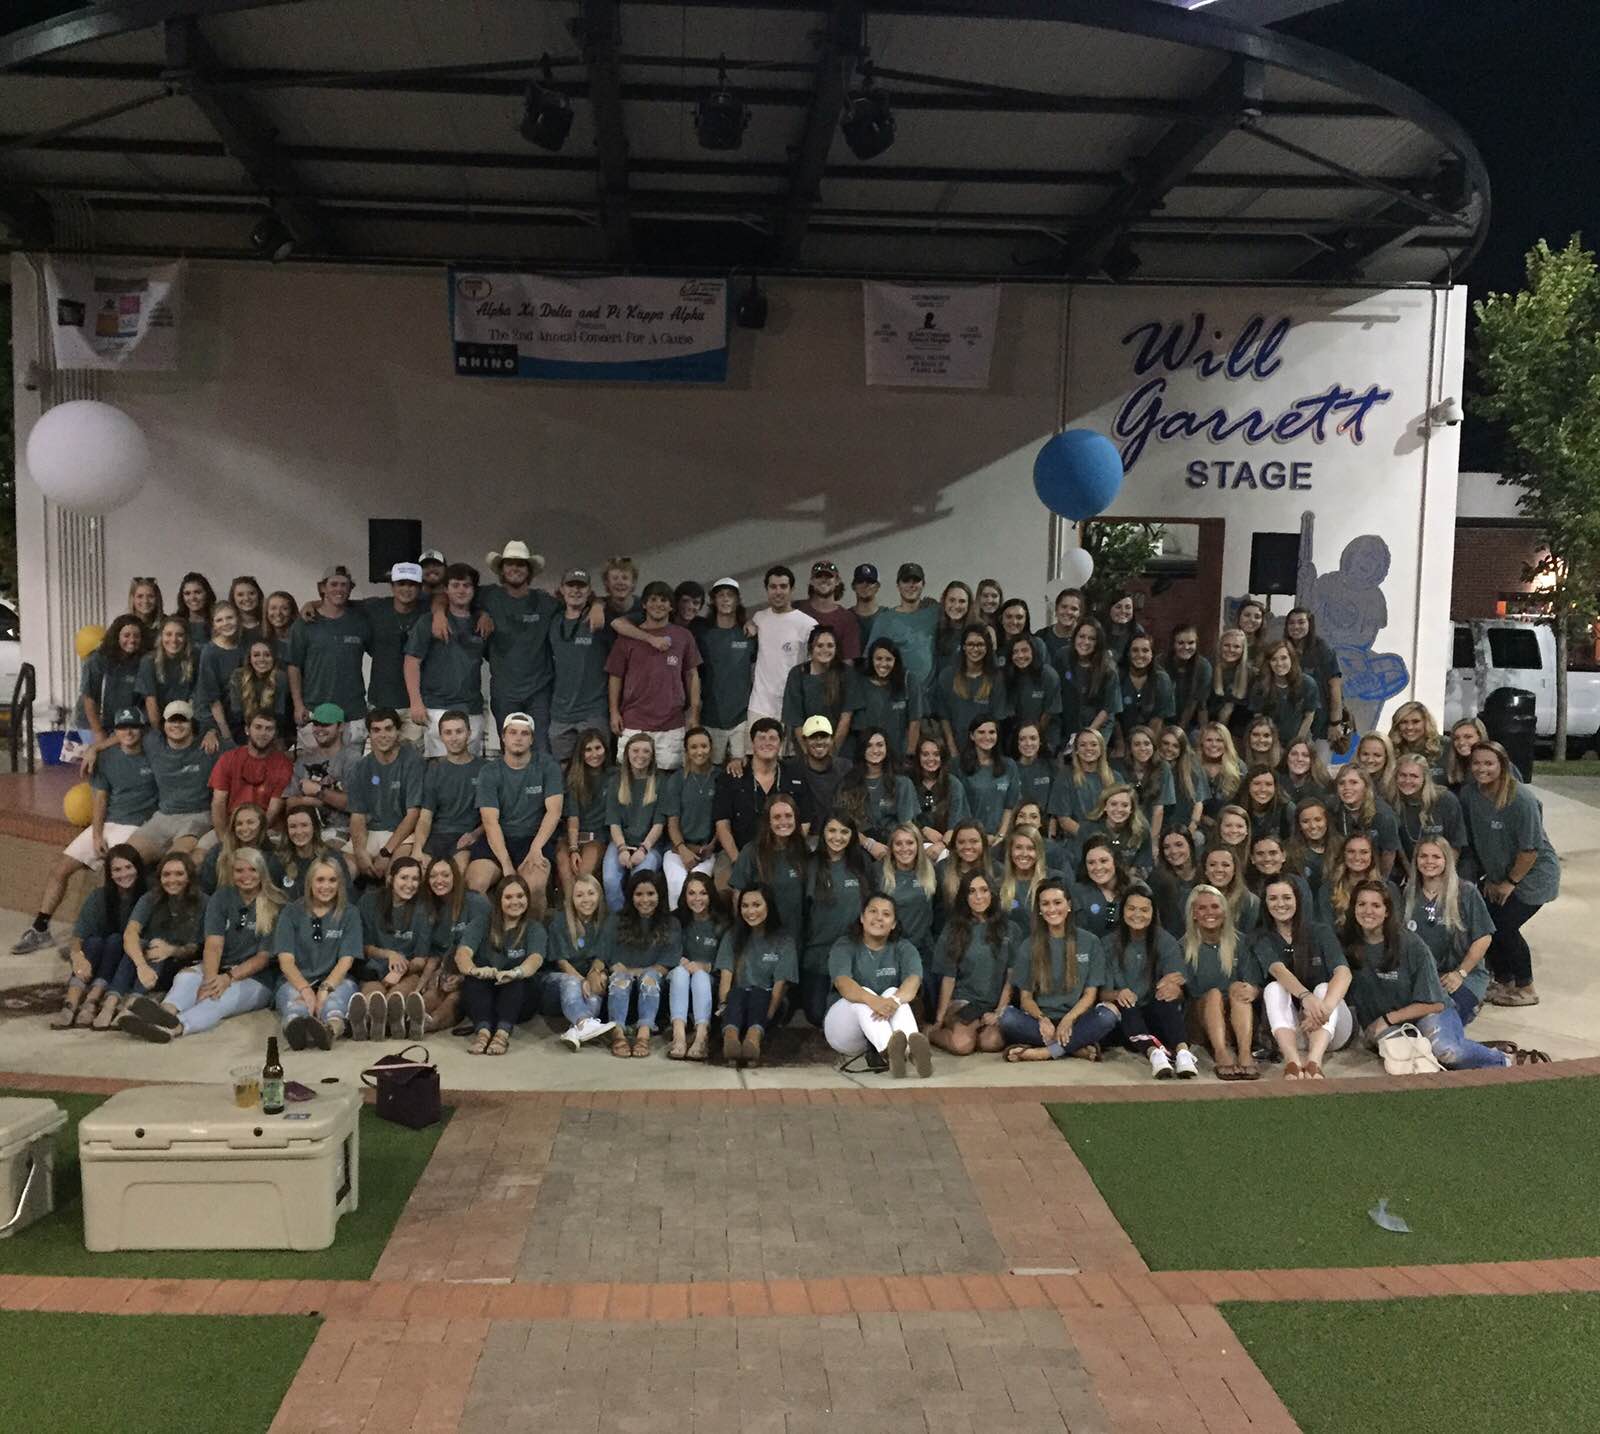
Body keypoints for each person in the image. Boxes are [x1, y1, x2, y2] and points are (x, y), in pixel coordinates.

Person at [12, 709, 157, 956]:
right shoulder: (108, 758)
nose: (128, 732)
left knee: (116, 874)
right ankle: (40, 927)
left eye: (133, 726)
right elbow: (100, 800)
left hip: (137, 826)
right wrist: (97, 835)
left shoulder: (154, 754)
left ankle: (102, 937)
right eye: (123, 727)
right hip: (109, 823)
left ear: (142, 729)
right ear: (116, 731)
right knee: (60, 868)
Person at [1343, 879, 1514, 1071]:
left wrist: (1388, 1019)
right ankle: (1473, 1048)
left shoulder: (1411, 945)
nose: (1368, 911)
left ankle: (1503, 1060)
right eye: (1362, 904)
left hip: (1427, 1013)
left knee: (1447, 1052)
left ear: (1387, 911)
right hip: (1390, 1026)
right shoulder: (1348, 943)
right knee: (1402, 1066)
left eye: (1376, 905)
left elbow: (1435, 1003)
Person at [120, 847, 285, 1043]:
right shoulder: (222, 897)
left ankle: (175, 1027)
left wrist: (227, 978)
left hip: (257, 978)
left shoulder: (276, 903)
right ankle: (164, 1012)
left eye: (252, 870)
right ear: (232, 873)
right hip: (220, 966)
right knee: (185, 978)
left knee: (217, 999)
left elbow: (262, 958)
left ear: (262, 872)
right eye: (239, 871)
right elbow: (213, 945)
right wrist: (209, 979)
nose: (246, 876)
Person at [1461, 739, 1560, 1008]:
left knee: (1504, 927)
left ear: (1502, 766)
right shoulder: (1471, 794)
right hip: (1499, 877)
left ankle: (1526, 986)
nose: (1482, 769)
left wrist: (1510, 882)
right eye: (1477, 763)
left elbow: (1530, 849)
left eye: (1489, 763)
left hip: (1532, 877)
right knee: (1487, 925)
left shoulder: (1521, 799)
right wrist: (1493, 879)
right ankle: (1504, 981)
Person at [1244, 874, 1352, 1078]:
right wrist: (1306, 997)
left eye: (1286, 897)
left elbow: (1343, 973)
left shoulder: (1319, 931)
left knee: (1323, 988)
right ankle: (1292, 1062)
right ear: (1265, 903)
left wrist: (1323, 1010)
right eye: (1273, 898)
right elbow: (1278, 970)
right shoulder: (1261, 937)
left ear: (1297, 900)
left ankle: (1314, 1062)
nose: (1280, 904)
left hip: (1330, 1027)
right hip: (1293, 1030)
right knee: (1274, 987)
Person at [1001, 878, 1117, 1062]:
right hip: (1040, 1022)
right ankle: (1074, 1048)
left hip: (1077, 1019)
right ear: (1039, 909)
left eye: (1057, 902)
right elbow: (1026, 999)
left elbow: (1090, 995)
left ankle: (1045, 1052)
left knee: (1109, 1014)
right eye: (1045, 904)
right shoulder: (1028, 945)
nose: (1052, 909)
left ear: (1069, 905)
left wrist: (1069, 1019)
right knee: (1007, 1018)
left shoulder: (1090, 941)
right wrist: (1041, 1019)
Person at [824, 893, 932, 1077]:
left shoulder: (904, 948)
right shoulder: (844, 946)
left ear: (894, 923)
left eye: (886, 914)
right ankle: (892, 1051)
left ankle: (907, 1052)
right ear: (862, 917)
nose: (879, 917)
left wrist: (894, 1001)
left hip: (880, 1024)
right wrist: (872, 1000)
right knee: (863, 994)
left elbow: (913, 982)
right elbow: (843, 983)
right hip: (845, 1031)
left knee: (894, 993)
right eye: (873, 911)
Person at [95, 851, 205, 1029]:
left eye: (179, 874)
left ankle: (132, 1004)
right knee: (142, 943)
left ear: (189, 877)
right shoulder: (150, 898)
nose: (172, 880)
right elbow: (130, 933)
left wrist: (171, 950)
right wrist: (141, 966)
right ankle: (110, 1003)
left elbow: (196, 947)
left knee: (156, 946)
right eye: (166, 874)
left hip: (179, 963)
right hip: (147, 966)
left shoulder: (203, 902)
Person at [471, 540, 561, 750]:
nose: (515, 569)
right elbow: (450, 596)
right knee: (511, 752)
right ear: (502, 569)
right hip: (505, 692)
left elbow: (579, 602)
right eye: (509, 563)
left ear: (529, 570)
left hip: (540, 691)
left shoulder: (545, 602)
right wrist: (481, 613)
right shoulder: (488, 597)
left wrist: (597, 605)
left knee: (541, 750)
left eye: (521, 564)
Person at [1101, 882, 1196, 1077]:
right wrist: (1117, 993)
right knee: (1127, 1005)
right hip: (1125, 1020)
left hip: (1155, 1013)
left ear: (1153, 913)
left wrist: (1173, 989)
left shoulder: (1165, 941)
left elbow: (1178, 982)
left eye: (1144, 909)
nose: (1137, 914)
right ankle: (1155, 1055)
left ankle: (1183, 1053)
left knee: (1166, 999)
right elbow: (1101, 992)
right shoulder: (1107, 943)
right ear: (1122, 910)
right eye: (1131, 908)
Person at [605, 579, 702, 771]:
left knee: (668, 778)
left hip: (672, 722)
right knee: (632, 777)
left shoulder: (683, 636)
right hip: (634, 721)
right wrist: (614, 712)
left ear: (671, 606)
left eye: (664, 600)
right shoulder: (628, 638)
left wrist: (694, 711)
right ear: (644, 604)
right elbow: (615, 677)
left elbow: (692, 675)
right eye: (654, 599)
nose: (659, 604)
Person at [467, 712, 564, 900]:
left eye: (524, 733)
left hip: (535, 838)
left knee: (533, 888)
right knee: (475, 885)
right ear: (503, 737)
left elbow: (554, 812)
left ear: (532, 739)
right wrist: (506, 865)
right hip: (498, 840)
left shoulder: (547, 766)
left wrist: (536, 848)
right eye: (512, 733)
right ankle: (491, 928)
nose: (518, 738)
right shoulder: (490, 772)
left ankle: (532, 930)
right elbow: (490, 822)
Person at [1403, 838, 1497, 1033]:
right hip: (1425, 978)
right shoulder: (1408, 894)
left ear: (1447, 860)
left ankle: (1499, 1057)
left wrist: (1460, 973)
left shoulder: (1466, 892)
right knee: (1409, 1026)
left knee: (1437, 1028)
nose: (1429, 861)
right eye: (1423, 856)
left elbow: (1484, 937)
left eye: (1436, 856)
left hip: (1460, 977)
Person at [49, 845, 147, 1028]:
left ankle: (92, 1000)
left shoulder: (146, 897)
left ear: (138, 869)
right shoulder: (99, 897)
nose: (123, 874)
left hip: (126, 956)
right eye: (117, 870)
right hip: (96, 955)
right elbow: (79, 935)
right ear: (109, 874)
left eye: (128, 867)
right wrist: (77, 957)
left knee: (115, 940)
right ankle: (70, 1003)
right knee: (94, 942)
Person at [273, 855, 362, 1050]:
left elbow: (346, 961)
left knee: (334, 1005)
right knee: (295, 1004)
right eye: (320, 880)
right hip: (295, 980)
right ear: (310, 883)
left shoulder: (350, 913)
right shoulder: (291, 912)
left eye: (332, 880)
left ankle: (329, 1031)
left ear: (340, 883)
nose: (326, 886)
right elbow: (286, 961)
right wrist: (306, 990)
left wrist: (324, 990)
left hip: (336, 979)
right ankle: (295, 1030)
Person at [405, 562, 487, 757]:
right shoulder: (428, 622)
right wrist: (416, 702)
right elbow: (411, 662)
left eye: (466, 585)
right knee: (438, 768)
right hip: (436, 707)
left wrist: (485, 615)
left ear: (474, 590)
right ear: (446, 589)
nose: (461, 590)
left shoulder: (482, 623)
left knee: (471, 768)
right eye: (455, 585)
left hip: (472, 708)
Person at [458, 875, 545, 1055]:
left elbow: (535, 959)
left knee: (515, 980)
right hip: (486, 995)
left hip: (519, 1000)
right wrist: (475, 970)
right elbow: (462, 954)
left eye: (520, 896)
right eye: (508, 897)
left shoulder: (534, 928)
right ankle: (482, 1033)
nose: (515, 902)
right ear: (499, 901)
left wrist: (516, 972)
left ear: (527, 899)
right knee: (472, 980)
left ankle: (502, 1035)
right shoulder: (482, 923)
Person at [288, 564, 371, 750]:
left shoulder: (361, 622)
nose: (339, 589)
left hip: (353, 712)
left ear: (350, 589)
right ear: (322, 588)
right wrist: (298, 704)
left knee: (351, 772)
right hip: (315, 711)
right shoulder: (305, 623)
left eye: (344, 585)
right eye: (333, 584)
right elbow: (294, 666)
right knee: (314, 773)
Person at [715, 882, 798, 1066]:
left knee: (759, 993)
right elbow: (726, 978)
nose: (750, 911)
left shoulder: (784, 940)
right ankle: (731, 1038)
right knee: (737, 992)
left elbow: (780, 986)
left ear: (769, 905)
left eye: (756, 905)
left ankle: (753, 1039)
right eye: (745, 906)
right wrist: (723, 1009)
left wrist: (765, 1018)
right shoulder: (732, 936)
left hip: (768, 1005)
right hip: (736, 1004)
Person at [350, 857, 433, 1041]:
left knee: (398, 995)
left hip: (407, 971)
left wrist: (400, 969)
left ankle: (391, 1021)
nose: (410, 884)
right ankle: (371, 1020)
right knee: (374, 993)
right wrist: (390, 955)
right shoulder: (369, 901)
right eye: (404, 878)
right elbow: (363, 946)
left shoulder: (424, 909)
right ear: (390, 879)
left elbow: (420, 960)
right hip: (374, 968)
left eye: (415, 879)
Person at [929, 871, 1011, 1056]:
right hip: (963, 1002)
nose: (978, 897)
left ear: (993, 893)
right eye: (971, 891)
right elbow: (948, 978)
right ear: (964, 896)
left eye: (984, 890)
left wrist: (999, 1012)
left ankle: (973, 1031)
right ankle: (929, 1032)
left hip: (992, 1005)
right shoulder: (954, 929)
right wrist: (940, 1018)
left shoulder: (1009, 928)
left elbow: (1010, 977)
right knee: (963, 1045)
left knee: (992, 1042)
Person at [801, 815, 872, 1027]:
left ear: (852, 836)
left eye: (844, 832)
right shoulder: (810, 865)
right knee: (815, 1015)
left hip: (854, 951)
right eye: (832, 831)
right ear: (823, 833)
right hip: (818, 953)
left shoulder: (862, 863)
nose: (837, 837)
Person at [1179, 884, 1256, 1079]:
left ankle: (1245, 1053)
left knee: (1239, 987)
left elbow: (1254, 983)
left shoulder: (1241, 942)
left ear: (1224, 911)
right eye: (1202, 908)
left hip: (1236, 1017)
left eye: (1214, 907)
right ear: (1194, 914)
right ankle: (1221, 1053)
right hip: (1201, 1021)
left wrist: (1253, 990)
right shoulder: (1182, 947)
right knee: (1213, 994)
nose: (1209, 913)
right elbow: (1184, 992)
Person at [128, 701, 218, 864]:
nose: (177, 724)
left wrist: (212, 731)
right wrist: (95, 748)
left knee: (174, 862)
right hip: (163, 817)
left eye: (182, 720)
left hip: (196, 816)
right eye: (172, 720)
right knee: (126, 857)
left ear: (192, 724)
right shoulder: (154, 743)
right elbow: (126, 735)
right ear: (164, 724)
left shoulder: (207, 747)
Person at [712, 717, 809, 863]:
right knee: (724, 880)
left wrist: (788, 857)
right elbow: (722, 825)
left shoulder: (795, 775)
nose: (767, 743)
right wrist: (739, 863)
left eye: (772, 738)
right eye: (761, 738)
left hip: (785, 856)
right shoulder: (731, 777)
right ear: (752, 743)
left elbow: (805, 821)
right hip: (737, 854)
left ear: (780, 743)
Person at [608, 868, 681, 1057]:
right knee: (620, 978)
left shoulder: (672, 923)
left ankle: (644, 1034)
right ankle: (617, 1034)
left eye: (650, 894)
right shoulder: (617, 920)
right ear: (631, 896)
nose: (645, 900)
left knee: (650, 977)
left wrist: (637, 971)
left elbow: (665, 965)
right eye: (639, 894)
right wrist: (625, 971)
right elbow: (612, 960)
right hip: (623, 981)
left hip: (654, 984)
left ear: (659, 895)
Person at [346, 707, 424, 880]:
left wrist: (386, 852)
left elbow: (413, 815)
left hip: (402, 835)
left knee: (397, 875)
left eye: (388, 729)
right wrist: (359, 852)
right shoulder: (361, 767)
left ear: (398, 731)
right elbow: (357, 816)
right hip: (371, 832)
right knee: (343, 871)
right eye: (376, 730)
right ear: (369, 734)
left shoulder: (412, 761)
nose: (383, 735)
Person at [545, 872, 618, 1050]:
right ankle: (585, 1022)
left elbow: (602, 956)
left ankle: (577, 1029)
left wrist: (594, 974)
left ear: (599, 895)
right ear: (571, 899)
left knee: (597, 986)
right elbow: (561, 962)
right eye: (579, 895)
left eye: (591, 893)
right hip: (558, 981)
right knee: (572, 982)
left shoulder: (608, 920)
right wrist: (582, 980)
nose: (586, 899)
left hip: (587, 976)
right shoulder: (560, 921)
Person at [545, 569, 612, 762]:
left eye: (581, 586)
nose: (575, 590)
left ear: (589, 590)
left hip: (593, 711)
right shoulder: (553, 620)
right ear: (562, 589)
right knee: (562, 768)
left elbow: (623, 605)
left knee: (596, 768)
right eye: (570, 585)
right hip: (560, 712)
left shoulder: (600, 619)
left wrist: (599, 604)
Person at [729, 791, 809, 944]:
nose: (783, 821)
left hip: (795, 936)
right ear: (768, 821)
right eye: (777, 817)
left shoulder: (802, 850)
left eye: (788, 815)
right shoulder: (751, 851)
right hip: (760, 935)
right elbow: (738, 895)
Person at [412, 711, 487, 870]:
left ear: (469, 733)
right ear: (441, 736)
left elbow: (493, 816)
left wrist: (475, 834)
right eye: (448, 732)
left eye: (459, 731)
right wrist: (418, 849)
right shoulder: (434, 770)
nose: (454, 738)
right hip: (437, 836)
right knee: (420, 872)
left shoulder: (485, 769)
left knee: (456, 872)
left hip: (467, 838)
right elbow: (425, 818)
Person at [425, 858, 491, 1036]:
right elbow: (436, 951)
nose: (439, 880)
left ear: (456, 877)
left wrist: (463, 976)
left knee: (454, 997)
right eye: (433, 876)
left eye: (445, 875)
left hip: (476, 971)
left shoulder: (476, 902)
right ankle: (409, 1017)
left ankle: (430, 1023)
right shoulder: (433, 908)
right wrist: (436, 972)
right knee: (434, 991)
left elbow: (490, 947)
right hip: (448, 969)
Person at [602, 732, 667, 911]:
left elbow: (659, 824)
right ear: (627, 754)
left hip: (650, 845)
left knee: (640, 878)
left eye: (646, 751)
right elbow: (614, 822)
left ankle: (638, 919)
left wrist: (643, 849)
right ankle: (620, 920)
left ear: (652, 755)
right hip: (620, 842)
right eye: (635, 750)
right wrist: (622, 849)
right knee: (610, 879)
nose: (641, 755)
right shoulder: (616, 782)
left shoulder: (660, 782)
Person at [694, 578, 755, 767]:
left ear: (738, 600)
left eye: (730, 595)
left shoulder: (749, 635)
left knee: (741, 771)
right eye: (721, 595)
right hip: (710, 718)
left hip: (741, 718)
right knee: (710, 771)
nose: (726, 600)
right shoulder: (703, 636)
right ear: (713, 601)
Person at [206, 711, 293, 843]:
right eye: (258, 727)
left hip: (267, 829)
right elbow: (218, 803)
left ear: (275, 734)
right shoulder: (228, 758)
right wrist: (224, 839)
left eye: (269, 729)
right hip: (231, 826)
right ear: (247, 730)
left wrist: (250, 836)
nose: (263, 733)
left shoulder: (283, 764)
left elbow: (273, 810)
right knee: (199, 854)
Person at [746, 566, 817, 725]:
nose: (778, 591)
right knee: (753, 751)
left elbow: (815, 668)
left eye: (783, 586)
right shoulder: (759, 618)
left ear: (792, 589)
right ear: (766, 589)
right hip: (759, 707)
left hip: (792, 707)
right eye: (773, 587)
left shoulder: (808, 625)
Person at [835, 729, 917, 861]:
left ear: (887, 748)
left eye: (880, 745)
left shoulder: (902, 783)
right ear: (862, 750)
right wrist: (869, 844)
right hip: (859, 844)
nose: (875, 750)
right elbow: (841, 823)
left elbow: (907, 826)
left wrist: (894, 848)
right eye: (869, 745)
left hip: (896, 845)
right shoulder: (848, 783)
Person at [662, 727, 721, 906]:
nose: (699, 751)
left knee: (699, 892)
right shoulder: (677, 779)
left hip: (707, 851)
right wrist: (682, 849)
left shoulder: (720, 776)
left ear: (711, 748)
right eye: (694, 747)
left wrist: (712, 845)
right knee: (677, 887)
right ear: (686, 751)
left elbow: (723, 820)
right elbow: (672, 822)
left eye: (704, 746)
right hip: (678, 850)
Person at [78, 616, 148, 766]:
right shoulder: (98, 659)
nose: (132, 640)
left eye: (136, 636)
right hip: (94, 723)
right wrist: (98, 732)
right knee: (97, 765)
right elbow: (89, 698)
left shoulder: (142, 662)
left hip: (123, 724)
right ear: (117, 636)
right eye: (126, 635)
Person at [668, 870, 723, 1059]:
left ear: (711, 895)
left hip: (709, 980)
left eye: (703, 893)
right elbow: (667, 950)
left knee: (700, 976)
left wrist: (706, 966)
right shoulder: (676, 920)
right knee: (679, 973)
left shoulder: (721, 923)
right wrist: (678, 959)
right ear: (684, 895)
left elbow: (728, 960)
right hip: (680, 977)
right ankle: (679, 1036)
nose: (697, 899)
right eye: (692, 893)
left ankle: (701, 1036)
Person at [1391, 754, 1467, 881]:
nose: (1407, 781)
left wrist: (1443, 877)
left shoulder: (1446, 800)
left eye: (1414, 776)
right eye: (1403, 775)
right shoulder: (1392, 803)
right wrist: (1414, 878)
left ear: (1425, 778)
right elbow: (1399, 849)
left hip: (1446, 872)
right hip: (1411, 874)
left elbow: (1456, 844)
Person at [782, 626, 857, 753]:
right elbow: (796, 721)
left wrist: (831, 752)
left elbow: (846, 717)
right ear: (811, 648)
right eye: (820, 645)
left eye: (830, 645)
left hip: (839, 750)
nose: (825, 650)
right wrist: (809, 754)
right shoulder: (797, 674)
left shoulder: (846, 673)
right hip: (806, 749)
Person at [870, 563, 940, 697]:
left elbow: (964, 612)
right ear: (898, 586)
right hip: (899, 697)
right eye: (906, 581)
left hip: (931, 697)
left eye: (916, 581)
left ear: (923, 584)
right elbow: (870, 658)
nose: (911, 585)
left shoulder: (935, 612)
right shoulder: (885, 620)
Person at [1283, 605, 1345, 755]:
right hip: (1292, 722)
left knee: (1319, 771)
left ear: (1310, 625)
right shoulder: (1284, 650)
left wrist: (1335, 722)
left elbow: (1335, 687)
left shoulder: (1323, 650)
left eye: (1301, 622)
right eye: (1291, 623)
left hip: (1321, 722)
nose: (1296, 626)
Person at [558, 728, 612, 893]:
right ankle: (569, 914)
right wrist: (573, 849)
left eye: (598, 748)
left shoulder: (614, 776)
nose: (594, 754)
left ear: (605, 749)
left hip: (597, 837)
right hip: (571, 838)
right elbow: (573, 818)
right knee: (567, 876)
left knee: (582, 876)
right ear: (580, 753)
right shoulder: (573, 778)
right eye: (588, 749)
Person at [935, 625, 1001, 756]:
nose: (975, 649)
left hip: (986, 749)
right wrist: (952, 748)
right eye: (970, 644)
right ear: (963, 647)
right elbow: (944, 717)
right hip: (955, 748)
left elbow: (997, 719)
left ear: (987, 647)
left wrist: (987, 751)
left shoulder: (996, 678)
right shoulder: (947, 676)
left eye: (980, 644)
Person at [880, 823, 938, 966]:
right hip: (891, 951)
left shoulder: (931, 871)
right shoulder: (879, 874)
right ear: (891, 848)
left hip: (924, 951)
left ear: (918, 845)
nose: (904, 848)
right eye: (898, 844)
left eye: (910, 843)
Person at [1331, 765, 1401, 879]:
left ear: (1366, 786)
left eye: (1354, 782)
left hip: (1377, 873)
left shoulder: (1383, 815)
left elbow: (1389, 854)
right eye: (1341, 783)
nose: (1346, 787)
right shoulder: (1334, 809)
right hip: (1346, 873)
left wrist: (1380, 880)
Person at [959, 716, 1020, 843]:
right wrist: (977, 837)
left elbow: (1010, 806)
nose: (987, 737)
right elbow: (959, 807)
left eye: (992, 732)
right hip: (969, 839)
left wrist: (1001, 836)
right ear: (971, 736)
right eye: (981, 732)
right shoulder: (958, 766)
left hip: (1001, 839)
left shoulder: (1009, 765)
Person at [1049, 725, 1114, 841]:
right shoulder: (1065, 776)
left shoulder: (1115, 777)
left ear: (1101, 749)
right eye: (1083, 745)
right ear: (1076, 750)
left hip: (1109, 840)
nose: (1088, 748)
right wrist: (1090, 839)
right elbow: (1064, 819)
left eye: (1094, 744)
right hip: (1077, 842)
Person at [1252, 639, 1321, 747]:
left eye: (1284, 658)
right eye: (1274, 659)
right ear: (1268, 663)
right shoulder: (1260, 686)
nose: (1279, 664)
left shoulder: (1308, 684)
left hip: (1297, 741)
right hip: (1268, 743)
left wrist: (1296, 744)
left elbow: (1309, 717)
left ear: (1292, 658)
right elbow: (1258, 719)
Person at [193, 603, 244, 749]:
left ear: (238, 619)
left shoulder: (241, 648)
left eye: (230, 618)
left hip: (236, 716)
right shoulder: (210, 653)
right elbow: (212, 700)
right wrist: (226, 735)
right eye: (219, 620)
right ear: (213, 625)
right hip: (214, 719)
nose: (226, 623)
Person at [1115, 725, 1173, 850]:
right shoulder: (1119, 768)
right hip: (1124, 829)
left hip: (1153, 828)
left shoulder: (1163, 768)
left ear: (1154, 746)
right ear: (1130, 748)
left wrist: (1152, 843)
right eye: (1137, 744)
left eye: (1147, 744)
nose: (1142, 748)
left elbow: (1159, 810)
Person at [136, 617, 198, 732]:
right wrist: (160, 734)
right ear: (161, 637)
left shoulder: (194, 660)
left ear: (186, 638)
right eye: (168, 634)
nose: (174, 640)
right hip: (157, 723)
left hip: (185, 721)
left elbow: (194, 700)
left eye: (179, 635)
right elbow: (151, 702)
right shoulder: (148, 661)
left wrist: (186, 729)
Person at [1063, 619, 1121, 741]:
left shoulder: (1108, 670)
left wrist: (1087, 734)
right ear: (1074, 638)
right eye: (1081, 636)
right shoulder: (1063, 657)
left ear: (1098, 642)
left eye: (1092, 638)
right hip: (1069, 721)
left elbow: (1107, 709)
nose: (1085, 642)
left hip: (1098, 725)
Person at [1080, 783, 1153, 877]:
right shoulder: (1087, 829)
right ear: (1105, 806)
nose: (1119, 809)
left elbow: (1144, 866)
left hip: (1129, 884)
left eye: (1125, 805)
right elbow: (1080, 866)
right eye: (1113, 804)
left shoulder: (1141, 829)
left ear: (1132, 809)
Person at [912, 736, 967, 860]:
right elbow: (906, 820)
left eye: (936, 754)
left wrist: (941, 845)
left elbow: (955, 826)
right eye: (925, 754)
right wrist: (924, 830)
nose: (931, 759)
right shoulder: (909, 783)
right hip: (915, 843)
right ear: (918, 757)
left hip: (947, 846)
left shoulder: (953, 784)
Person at [789, 715, 851, 825]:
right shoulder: (793, 769)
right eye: (813, 737)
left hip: (838, 834)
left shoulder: (845, 768)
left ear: (832, 739)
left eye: (824, 736)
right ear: (804, 740)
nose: (819, 741)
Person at [797, 559, 862, 662]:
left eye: (829, 576)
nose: (824, 580)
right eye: (819, 576)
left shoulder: (847, 618)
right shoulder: (798, 611)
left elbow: (848, 663)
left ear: (837, 581)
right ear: (811, 581)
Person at [1117, 634, 1173, 749]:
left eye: (1145, 650)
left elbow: (1158, 719)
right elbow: (1113, 716)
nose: (1140, 655)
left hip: (1151, 740)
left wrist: (1146, 747)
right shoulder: (1117, 677)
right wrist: (1120, 745)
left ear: (1152, 654)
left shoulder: (1162, 679)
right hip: (1120, 740)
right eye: (1135, 650)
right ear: (1128, 653)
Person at [1073, 834, 1133, 941]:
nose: (1098, 867)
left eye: (1104, 861)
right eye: (1091, 863)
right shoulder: (1077, 893)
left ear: (1115, 861)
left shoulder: (1134, 890)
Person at [1150, 828, 1201, 939]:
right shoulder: (1157, 879)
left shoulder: (1205, 872)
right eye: (1166, 847)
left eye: (1179, 845)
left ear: (1190, 845)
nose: (1173, 851)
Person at [1157, 727, 1207, 840]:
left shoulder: (1192, 770)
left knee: (1198, 839)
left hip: (1182, 827)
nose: (1169, 749)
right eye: (1165, 743)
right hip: (1155, 827)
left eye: (1175, 746)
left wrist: (1191, 829)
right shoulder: (1150, 768)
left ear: (1182, 750)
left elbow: (1199, 803)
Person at [1166, 625, 1211, 734]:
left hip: (1191, 723)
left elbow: (1197, 703)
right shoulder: (1160, 663)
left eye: (1191, 643)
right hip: (1164, 719)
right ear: (1173, 644)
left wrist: (1180, 731)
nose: (1186, 647)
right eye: (1181, 643)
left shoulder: (1203, 667)